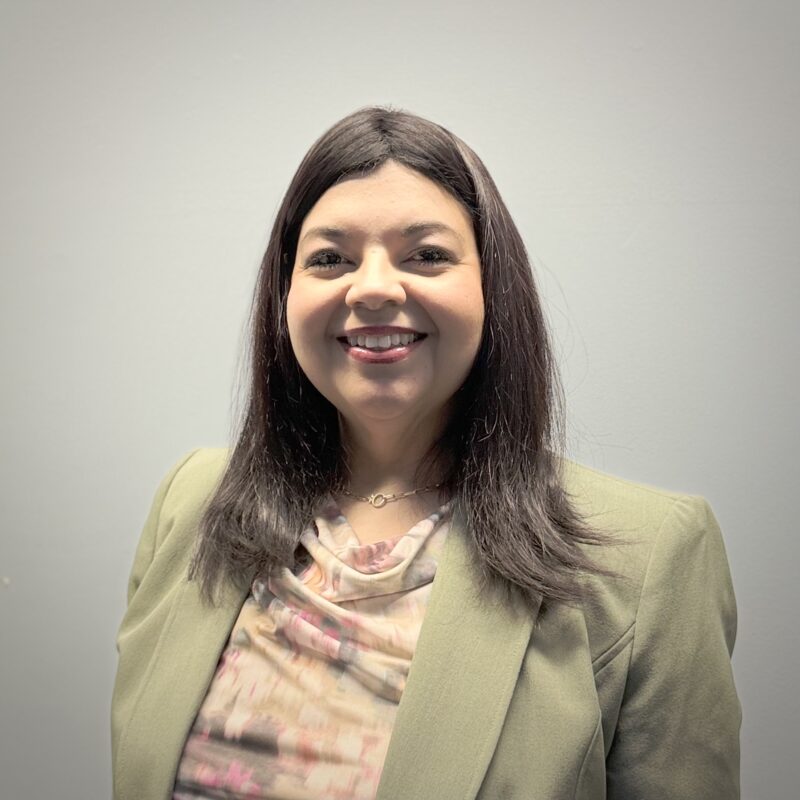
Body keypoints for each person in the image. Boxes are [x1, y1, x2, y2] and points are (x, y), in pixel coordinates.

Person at [111, 106, 741, 800]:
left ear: (491, 287)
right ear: (285, 295)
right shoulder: (190, 501)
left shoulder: (650, 557)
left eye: (428, 254)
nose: (374, 286)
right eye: (330, 258)